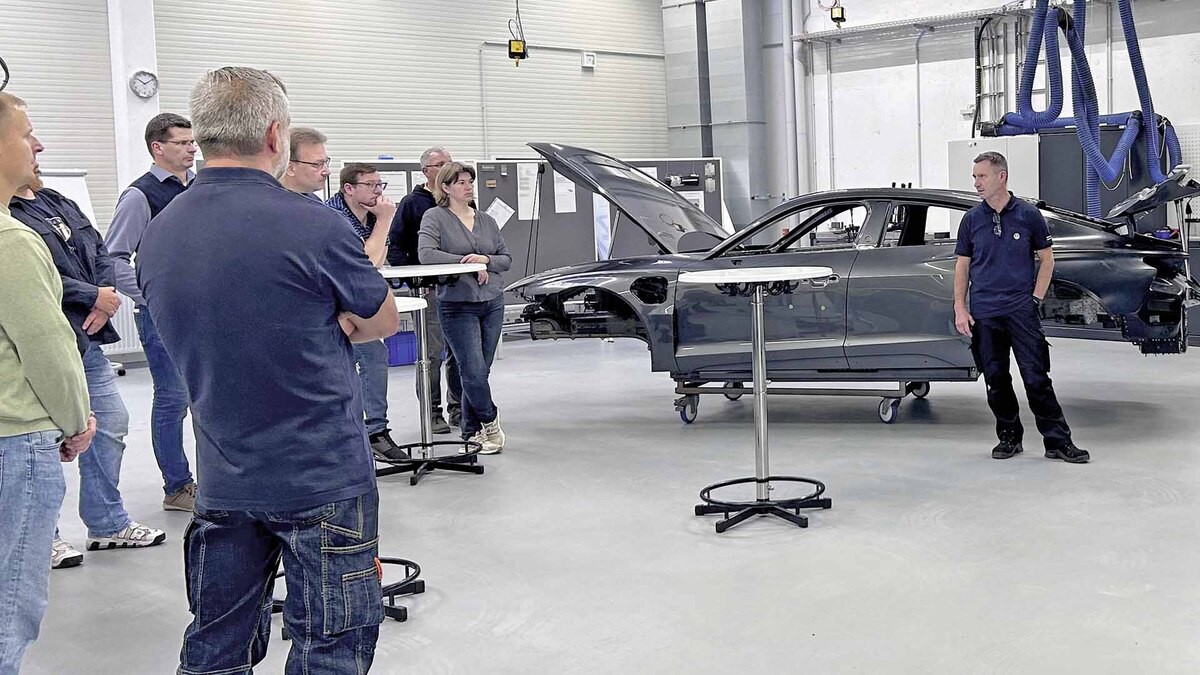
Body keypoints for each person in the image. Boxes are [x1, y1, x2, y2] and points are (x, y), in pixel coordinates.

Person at [137, 66, 397, 673]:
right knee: (329, 646)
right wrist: (328, 321)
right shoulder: (312, 223)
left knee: (216, 644)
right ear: (275, 135)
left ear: (202, 134)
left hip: (223, 476)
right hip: (321, 474)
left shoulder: (160, 231)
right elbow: (382, 319)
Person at [10, 168, 167, 567]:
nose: (37, 153)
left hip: (87, 337)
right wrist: (91, 295)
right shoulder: (7, 216)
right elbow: (33, 276)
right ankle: (44, 536)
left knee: (110, 421)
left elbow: (99, 250)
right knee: (45, 437)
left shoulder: (56, 201)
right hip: (47, 337)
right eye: (28, 143)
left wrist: (104, 295)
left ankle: (107, 523)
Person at [0, 91, 95, 673]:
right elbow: (46, 346)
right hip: (16, 439)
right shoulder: (11, 241)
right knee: (10, 600)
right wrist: (76, 419)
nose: (37, 144)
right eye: (25, 133)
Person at [954, 151, 1089, 464]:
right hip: (985, 312)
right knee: (996, 380)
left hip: (1020, 311)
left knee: (1036, 377)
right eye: (974, 177)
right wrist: (960, 307)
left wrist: (1036, 298)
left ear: (1001, 176)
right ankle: (1009, 437)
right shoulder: (971, 220)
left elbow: (1047, 259)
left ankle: (1058, 442)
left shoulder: (1028, 215)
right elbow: (962, 266)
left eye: (982, 176)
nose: (976, 183)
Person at [105, 112, 198, 511]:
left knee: (206, 397)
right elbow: (113, 258)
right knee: (173, 399)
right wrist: (150, 296)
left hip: (203, 311)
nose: (192, 148)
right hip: (162, 315)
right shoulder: (140, 195)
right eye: (182, 143)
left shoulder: (199, 188)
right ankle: (177, 486)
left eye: (193, 142)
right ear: (157, 148)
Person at [418, 161, 511, 453]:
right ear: (445, 187)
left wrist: (485, 260)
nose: (468, 187)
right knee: (472, 370)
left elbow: (505, 259)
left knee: (481, 370)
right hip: (457, 304)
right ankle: (490, 421)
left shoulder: (486, 220)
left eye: (470, 181)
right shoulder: (435, 217)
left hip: (492, 302)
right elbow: (426, 254)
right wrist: (466, 263)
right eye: (460, 182)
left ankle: (471, 432)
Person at [327, 163, 407, 459]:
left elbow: (378, 260)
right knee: (362, 360)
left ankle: (372, 430)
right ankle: (369, 432)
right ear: (349, 188)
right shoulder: (334, 216)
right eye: (370, 185)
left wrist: (380, 223)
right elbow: (364, 264)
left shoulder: (371, 217)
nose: (377, 191)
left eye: (380, 185)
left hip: (356, 299)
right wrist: (385, 220)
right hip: (332, 304)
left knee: (373, 357)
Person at [390, 146, 458, 434]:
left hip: (459, 289)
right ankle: (432, 411)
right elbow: (396, 248)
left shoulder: (460, 201)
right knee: (431, 353)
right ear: (426, 171)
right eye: (440, 164)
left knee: (459, 352)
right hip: (428, 291)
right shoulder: (412, 204)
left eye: (449, 162)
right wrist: (416, 280)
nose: (447, 167)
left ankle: (459, 408)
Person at [279, 126, 330, 200]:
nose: (327, 172)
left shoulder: (314, 200)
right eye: (317, 164)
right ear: (290, 168)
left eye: (326, 162)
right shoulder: (270, 203)